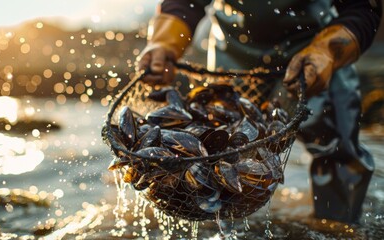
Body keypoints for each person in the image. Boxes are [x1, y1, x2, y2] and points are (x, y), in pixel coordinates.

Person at [136, 0, 382, 224]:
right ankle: (226, 227)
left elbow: (363, 8)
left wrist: (328, 51)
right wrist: (163, 41)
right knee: (221, 153)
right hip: (233, 50)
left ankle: (338, 226)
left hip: (316, 48)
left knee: (337, 151)